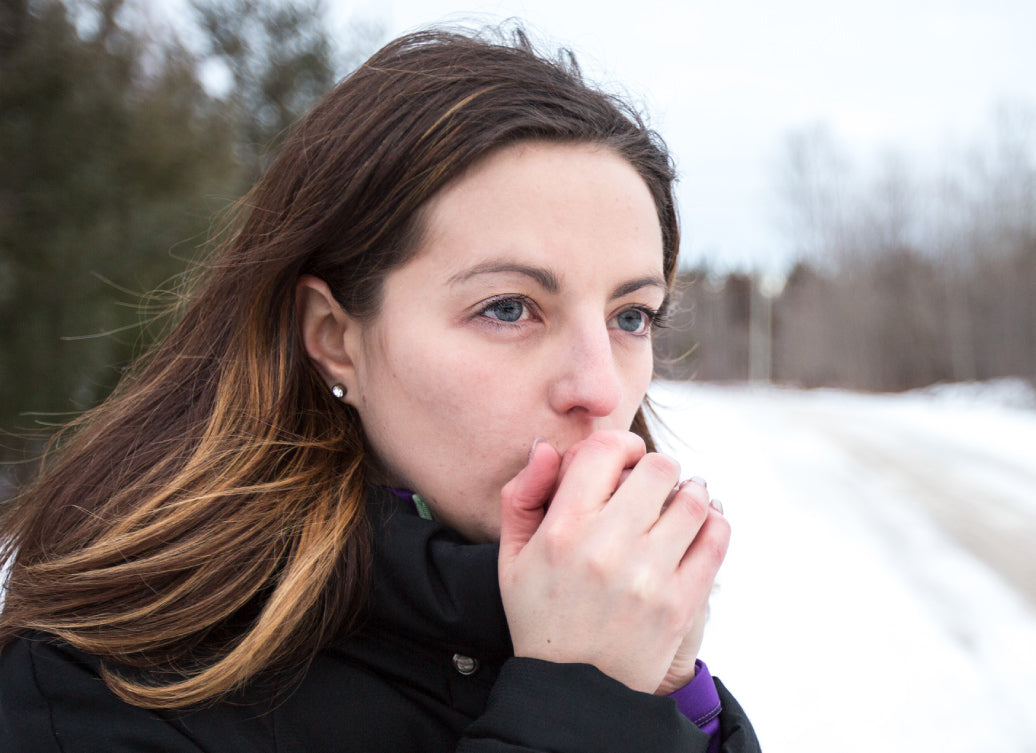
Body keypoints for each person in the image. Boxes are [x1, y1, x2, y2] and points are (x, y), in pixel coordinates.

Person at [0, 27, 760, 753]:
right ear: (335, 338)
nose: (598, 388)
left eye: (631, 315)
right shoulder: (102, 685)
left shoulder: (635, 657)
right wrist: (583, 703)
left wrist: (666, 701)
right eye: (508, 308)